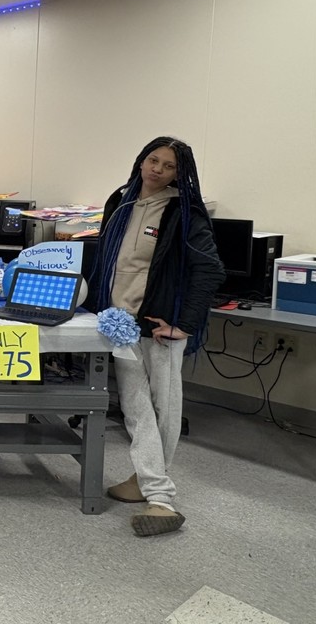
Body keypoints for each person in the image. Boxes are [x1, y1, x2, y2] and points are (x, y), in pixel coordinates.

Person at [89, 136, 224, 537]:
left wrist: (184, 324)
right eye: (153, 160)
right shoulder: (121, 202)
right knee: (135, 407)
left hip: (161, 323)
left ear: (179, 173)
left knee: (163, 407)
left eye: (169, 166)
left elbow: (209, 269)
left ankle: (156, 493)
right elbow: (109, 258)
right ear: (141, 160)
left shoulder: (184, 212)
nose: (157, 170)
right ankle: (153, 488)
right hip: (120, 322)